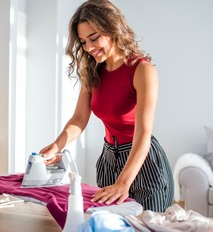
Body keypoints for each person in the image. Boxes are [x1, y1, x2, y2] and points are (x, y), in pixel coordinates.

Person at [39, 0, 174, 212]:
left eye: (94, 38)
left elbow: (143, 133)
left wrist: (123, 183)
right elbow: (79, 118)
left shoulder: (142, 70)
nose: (89, 48)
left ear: (112, 29)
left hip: (143, 160)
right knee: (109, 230)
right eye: (83, 42)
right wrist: (57, 146)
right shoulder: (93, 71)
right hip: (109, 158)